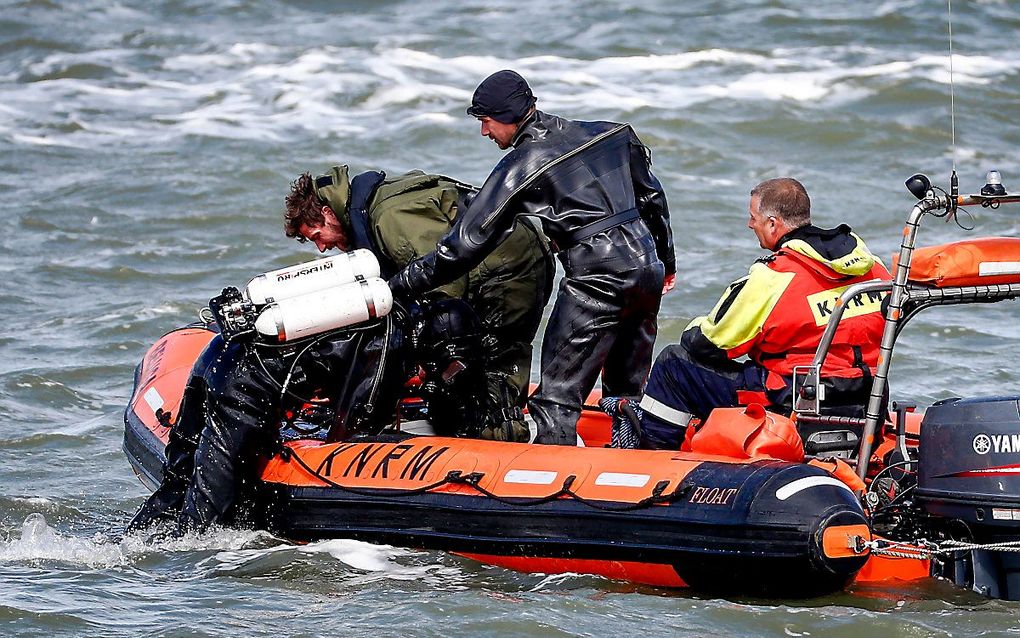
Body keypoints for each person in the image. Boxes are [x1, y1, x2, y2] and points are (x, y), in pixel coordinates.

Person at [388, 70, 677, 446]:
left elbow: (463, 246)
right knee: (626, 387)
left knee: (556, 398)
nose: (484, 133)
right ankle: (635, 462)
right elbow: (653, 200)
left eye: (485, 122)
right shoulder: (611, 133)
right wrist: (666, 263)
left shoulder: (522, 165)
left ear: (507, 116)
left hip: (597, 279)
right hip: (646, 268)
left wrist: (398, 285)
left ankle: (548, 487)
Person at [604, 177, 891, 450]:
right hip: (864, 395)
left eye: (753, 218)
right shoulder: (874, 269)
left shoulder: (774, 278)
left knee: (673, 365)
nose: (749, 224)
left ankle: (651, 457)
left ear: (772, 224)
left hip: (793, 398)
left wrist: (695, 331)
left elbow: (711, 342)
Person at [284, 165, 552, 442]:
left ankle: (499, 442)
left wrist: (430, 350)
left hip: (509, 266)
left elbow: (443, 279)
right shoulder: (372, 209)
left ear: (329, 214)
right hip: (498, 258)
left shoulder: (388, 217)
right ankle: (470, 433)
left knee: (492, 363)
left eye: (317, 236)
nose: (321, 248)